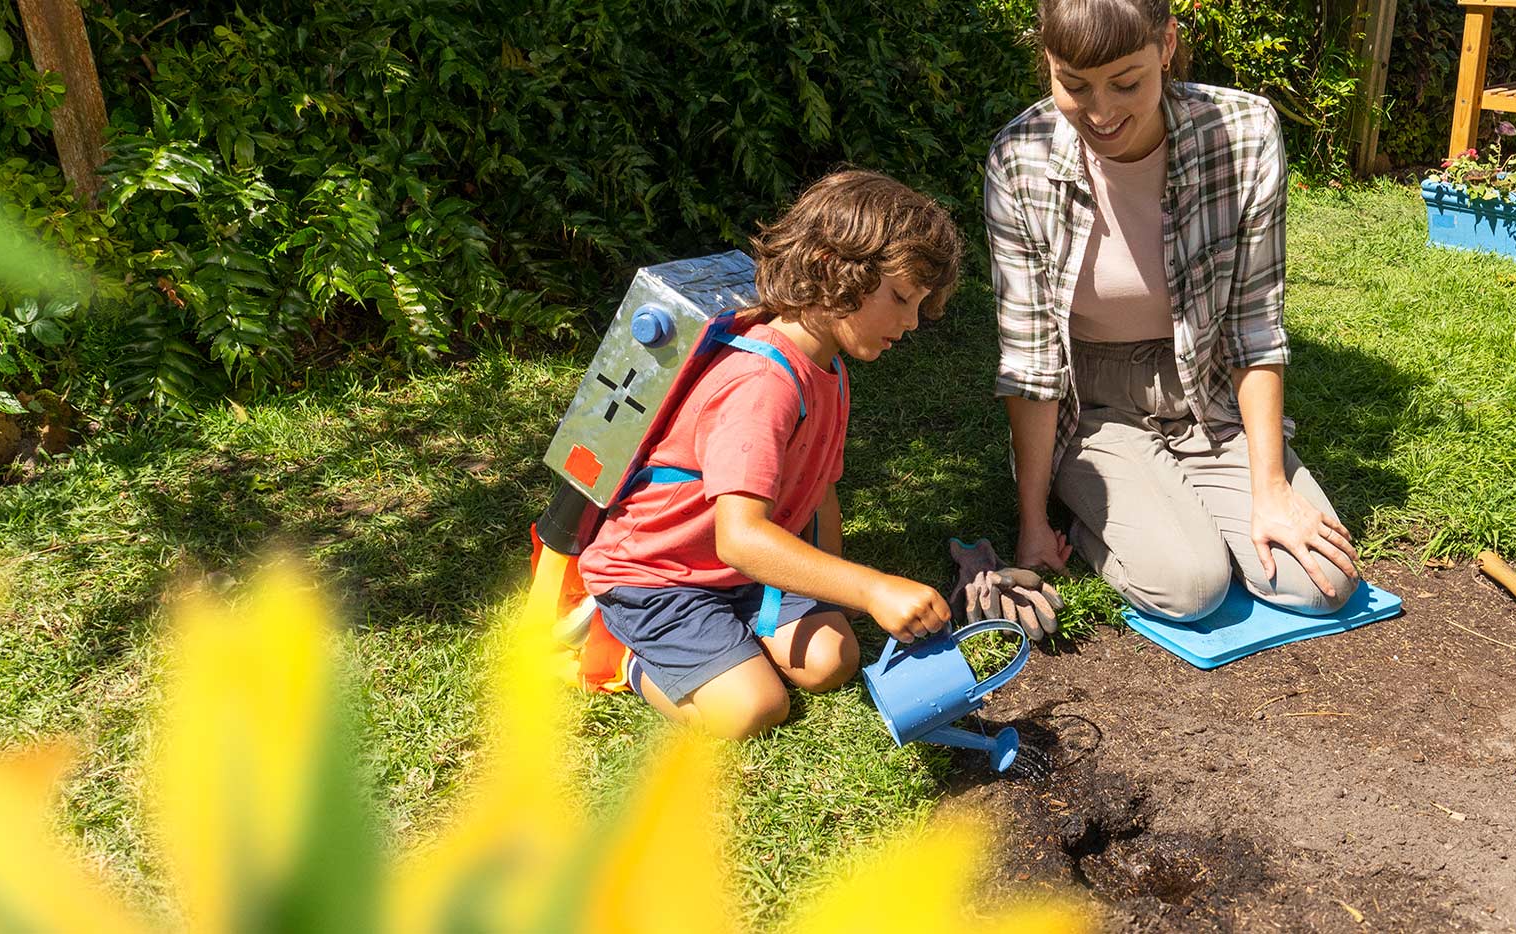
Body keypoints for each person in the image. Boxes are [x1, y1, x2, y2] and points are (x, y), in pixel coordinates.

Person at [984, 0, 1359, 623]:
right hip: (1091, 402)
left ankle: (1181, 504)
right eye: (1072, 85)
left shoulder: (1245, 133)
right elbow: (1031, 359)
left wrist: (1270, 489)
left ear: (1166, 45)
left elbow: (1253, 323)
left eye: (1125, 83)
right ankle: (1095, 509)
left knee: (1318, 583)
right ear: (1047, 63)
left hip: (1206, 388)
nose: (1100, 112)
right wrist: (1032, 520)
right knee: (1191, 587)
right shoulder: (1018, 157)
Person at [576, 170, 960, 738]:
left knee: (833, 660)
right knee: (752, 710)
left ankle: (730, 641)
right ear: (834, 268)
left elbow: (818, 488)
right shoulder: (762, 381)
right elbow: (741, 537)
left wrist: (840, 591)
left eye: (919, 304)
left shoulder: (827, 367)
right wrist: (873, 586)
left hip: (739, 570)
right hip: (661, 574)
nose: (911, 321)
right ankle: (612, 652)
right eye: (901, 298)